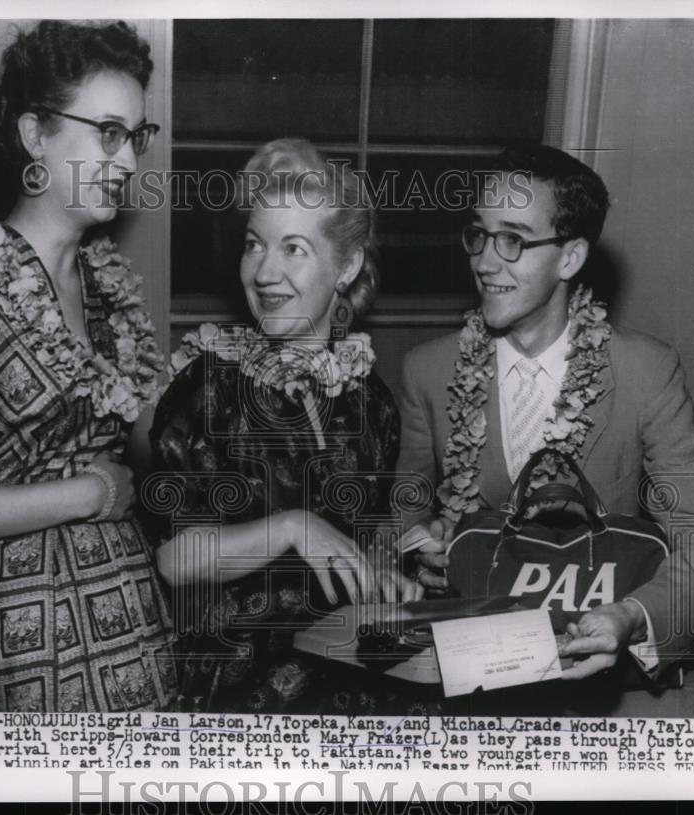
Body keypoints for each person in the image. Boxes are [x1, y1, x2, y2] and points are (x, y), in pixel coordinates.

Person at [0, 20, 176, 712]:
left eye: (135, 136)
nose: (129, 161)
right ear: (35, 136)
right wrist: (82, 494)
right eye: (107, 131)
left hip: (138, 626)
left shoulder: (108, 287)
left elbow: (151, 452)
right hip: (29, 643)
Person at [397, 144, 694, 717]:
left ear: (571, 257)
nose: (484, 261)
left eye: (513, 239)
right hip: (474, 661)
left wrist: (631, 617)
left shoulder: (646, 372)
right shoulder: (427, 370)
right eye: (478, 234)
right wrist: (416, 549)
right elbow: (402, 505)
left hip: (612, 663)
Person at [148, 138, 420, 714]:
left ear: (346, 266)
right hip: (241, 687)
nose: (265, 272)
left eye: (293, 249)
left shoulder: (371, 401)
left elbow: (362, 542)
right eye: (254, 245)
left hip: (351, 676)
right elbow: (175, 561)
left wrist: (388, 575)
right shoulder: (207, 390)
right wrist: (292, 527)